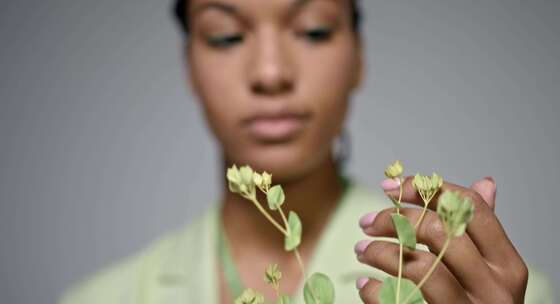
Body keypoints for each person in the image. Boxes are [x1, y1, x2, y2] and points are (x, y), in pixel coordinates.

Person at [61, 0, 553, 303]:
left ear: (358, 55)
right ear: (189, 63)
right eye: (226, 35)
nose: (271, 72)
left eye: (314, 29)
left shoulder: (480, 288)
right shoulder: (100, 299)